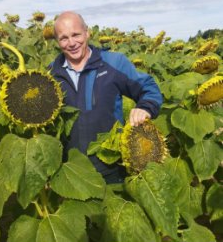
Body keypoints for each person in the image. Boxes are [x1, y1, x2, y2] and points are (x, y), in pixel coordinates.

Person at [49, 11, 163, 183]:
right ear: (57, 41)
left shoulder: (113, 63)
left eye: (76, 35)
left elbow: (149, 88)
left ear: (87, 32)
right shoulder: (51, 73)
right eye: (64, 38)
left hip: (112, 165)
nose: (71, 43)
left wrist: (145, 107)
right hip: (72, 170)